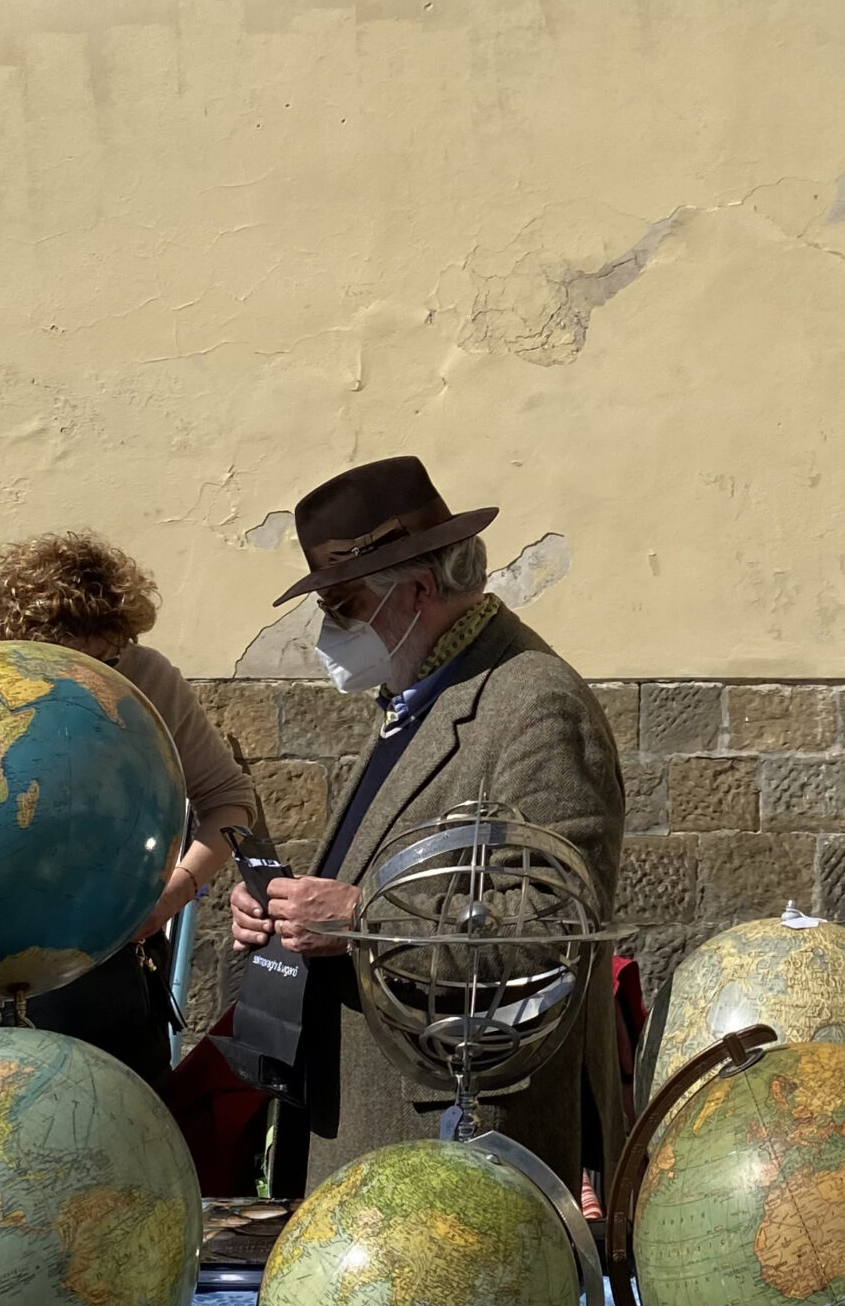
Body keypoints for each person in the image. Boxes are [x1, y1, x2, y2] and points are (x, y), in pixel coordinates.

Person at [229, 454, 625, 1198]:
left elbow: (550, 931)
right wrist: (279, 908)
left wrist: (358, 920)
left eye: (340, 605)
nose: (327, 632)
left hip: (452, 1135)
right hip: (372, 1124)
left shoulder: (534, 704)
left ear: (414, 590)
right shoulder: (416, 691)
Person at [0, 531, 256, 1087]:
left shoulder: (146, 677)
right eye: (64, 663)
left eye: (106, 660)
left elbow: (231, 804)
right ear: (11, 638)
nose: (90, 676)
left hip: (94, 946)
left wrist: (167, 900)